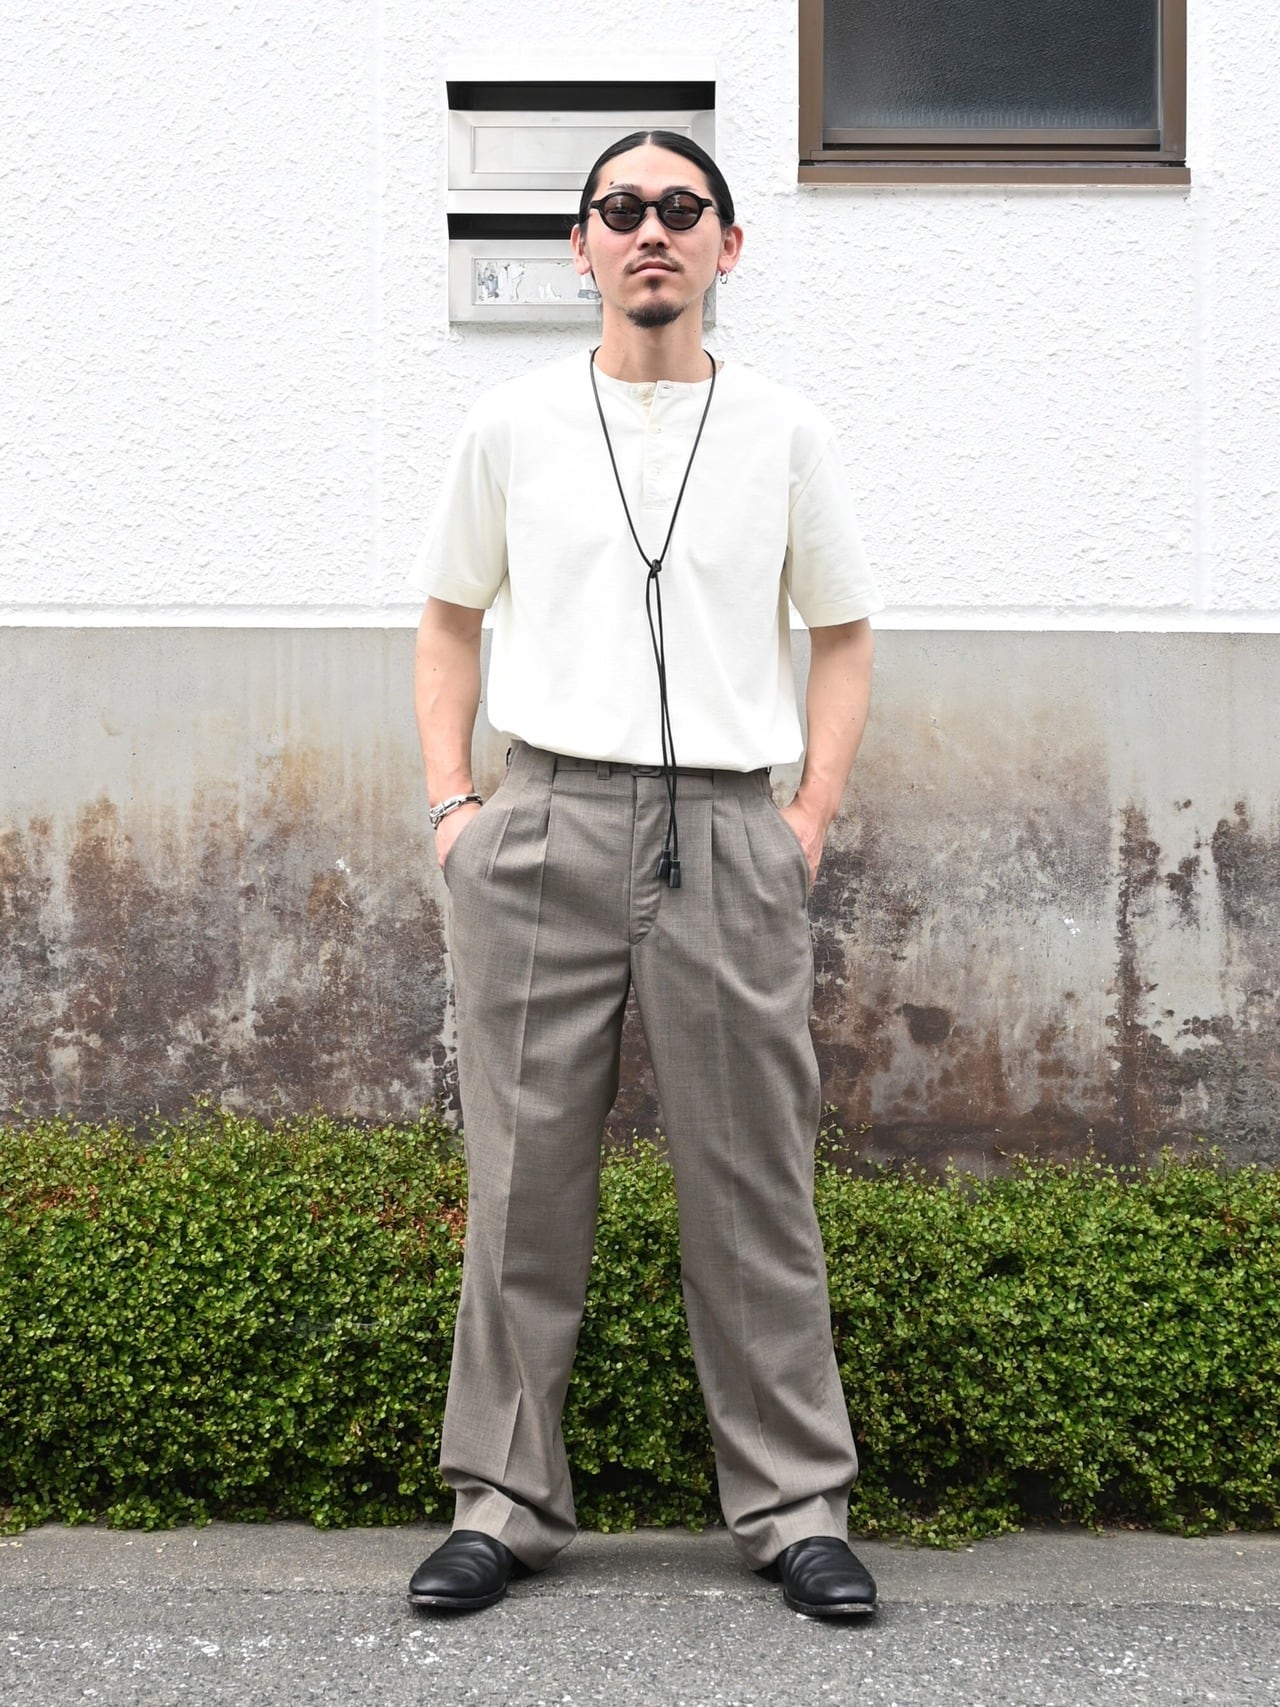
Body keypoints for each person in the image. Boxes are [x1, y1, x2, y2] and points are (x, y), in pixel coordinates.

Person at [407, 129, 883, 1620]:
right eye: (621, 209)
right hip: (543, 820)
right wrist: (456, 808)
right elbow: (449, 619)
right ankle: (501, 1504)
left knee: (754, 1183)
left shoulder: (786, 431)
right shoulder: (511, 426)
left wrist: (807, 815)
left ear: (728, 245)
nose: (651, 230)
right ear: (583, 247)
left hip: (729, 830)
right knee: (522, 1183)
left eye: (683, 208)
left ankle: (795, 1507)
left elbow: (842, 634)